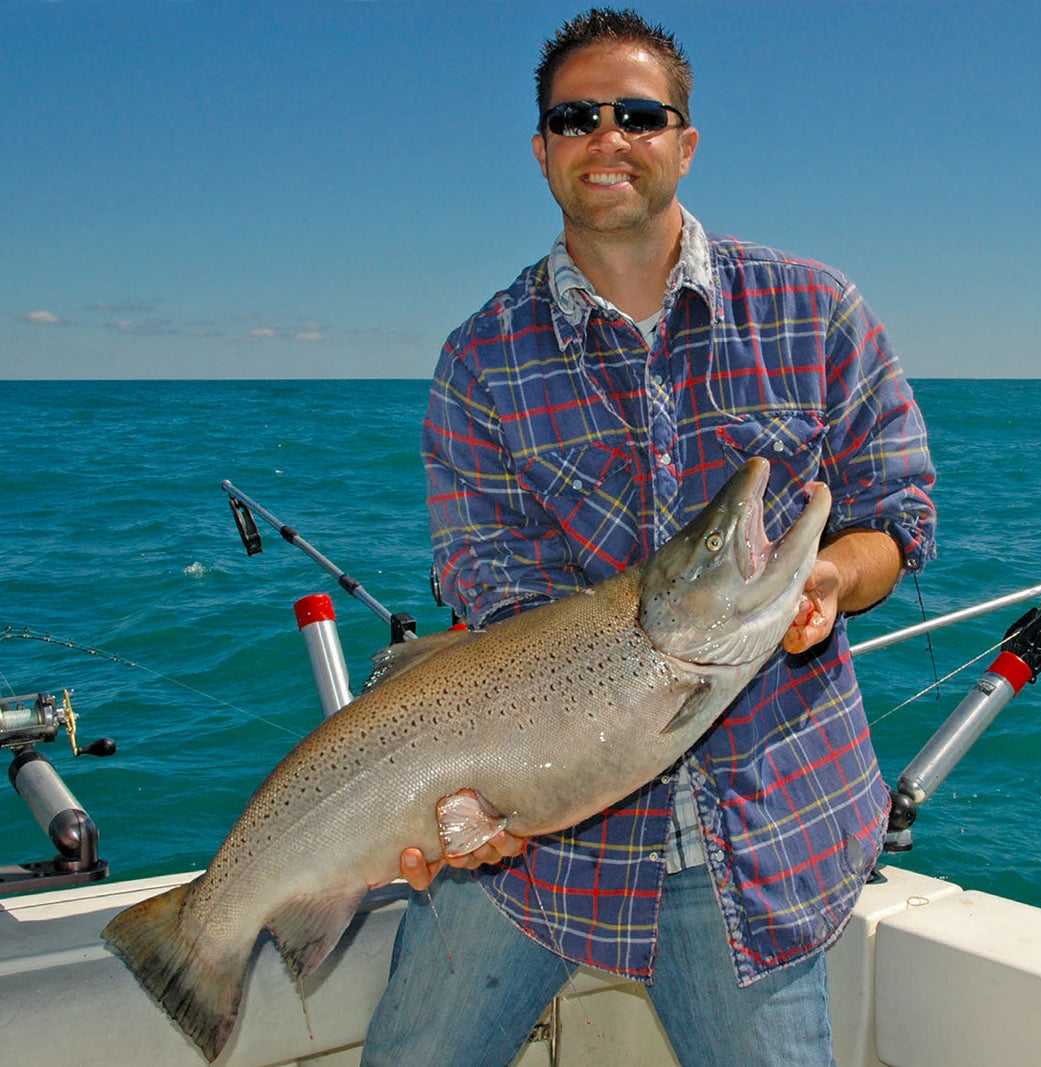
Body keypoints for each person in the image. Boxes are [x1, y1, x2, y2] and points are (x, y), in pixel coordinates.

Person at [362, 8, 936, 1066]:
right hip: (537, 857)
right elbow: (494, 602)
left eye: (638, 114)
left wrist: (830, 577)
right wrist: (490, 798)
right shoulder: (480, 361)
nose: (606, 137)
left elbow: (894, 516)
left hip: (756, 842)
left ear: (683, 140)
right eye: (575, 117)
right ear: (541, 147)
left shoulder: (817, 310)